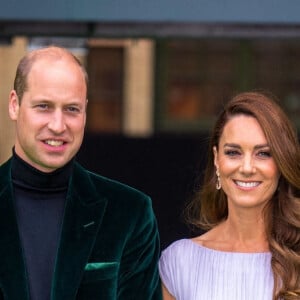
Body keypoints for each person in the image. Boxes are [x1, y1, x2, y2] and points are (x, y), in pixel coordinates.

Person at [0, 46, 162, 300]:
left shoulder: (130, 213)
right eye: (43, 106)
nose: (57, 125)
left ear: (85, 112)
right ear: (14, 105)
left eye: (71, 109)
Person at [159, 91, 300, 300]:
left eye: (263, 153)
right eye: (233, 152)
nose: (247, 168)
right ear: (216, 159)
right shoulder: (179, 261)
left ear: (281, 162)